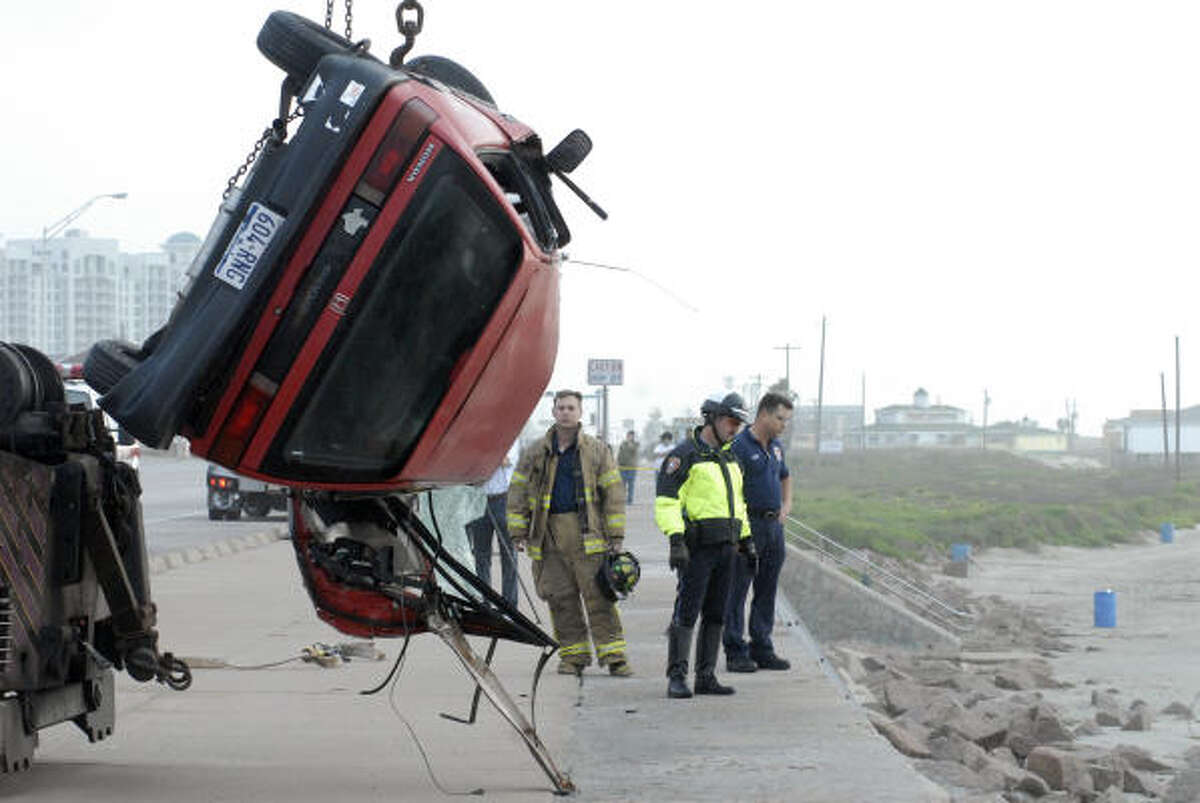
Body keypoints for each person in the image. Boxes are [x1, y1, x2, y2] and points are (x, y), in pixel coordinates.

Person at [506, 389, 632, 676]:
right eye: (560, 407)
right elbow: (518, 491)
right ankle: (573, 657)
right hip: (547, 535)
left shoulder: (597, 451)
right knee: (560, 599)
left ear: (580, 412)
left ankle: (615, 657)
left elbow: (613, 493)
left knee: (599, 596)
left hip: (587, 535)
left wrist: (615, 537)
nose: (565, 412)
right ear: (553, 412)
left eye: (570, 407)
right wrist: (518, 531)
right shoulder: (535, 452)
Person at [655, 392, 755, 699]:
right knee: (687, 612)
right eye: (730, 421)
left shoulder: (731, 459)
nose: (735, 427)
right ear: (711, 418)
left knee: (717, 613)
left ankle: (706, 676)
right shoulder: (684, 456)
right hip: (696, 550)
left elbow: (738, 504)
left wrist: (747, 539)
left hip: (728, 548)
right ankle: (676, 677)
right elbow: (667, 502)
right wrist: (675, 540)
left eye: (739, 423)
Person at [724, 392, 794, 672]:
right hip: (747, 526)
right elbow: (728, 488)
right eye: (780, 418)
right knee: (738, 589)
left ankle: (762, 646)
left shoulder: (776, 447)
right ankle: (735, 650)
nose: (783, 425)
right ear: (763, 414)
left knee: (767, 588)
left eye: (786, 420)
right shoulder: (739, 446)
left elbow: (785, 476)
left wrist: (786, 505)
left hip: (773, 527)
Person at [465, 440, 520, 607]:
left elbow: (505, 461)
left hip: (503, 500)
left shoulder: (510, 436)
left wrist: (481, 458)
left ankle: (509, 606)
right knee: (481, 555)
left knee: (509, 556)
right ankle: (484, 602)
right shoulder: (478, 437)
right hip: (479, 501)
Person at [616, 430, 640, 504]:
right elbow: (619, 454)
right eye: (628, 435)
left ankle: (630, 500)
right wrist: (617, 462)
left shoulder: (636, 444)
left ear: (633, 436)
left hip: (631, 467)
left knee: (631, 484)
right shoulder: (623, 443)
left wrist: (629, 442)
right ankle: (622, 499)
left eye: (631, 435)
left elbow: (633, 450)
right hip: (622, 467)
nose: (629, 437)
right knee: (622, 484)